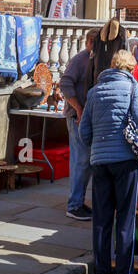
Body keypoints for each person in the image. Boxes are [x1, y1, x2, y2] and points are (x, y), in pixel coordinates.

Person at [78, 49, 138, 274]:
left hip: (100, 162)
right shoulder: (132, 87)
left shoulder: (94, 92)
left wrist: (98, 146)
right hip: (125, 162)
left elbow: (83, 133)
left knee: (101, 223)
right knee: (125, 221)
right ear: (130, 68)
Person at [60, 28, 96, 221]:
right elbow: (64, 84)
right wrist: (79, 109)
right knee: (81, 160)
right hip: (76, 116)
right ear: (88, 42)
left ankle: (79, 202)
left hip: (84, 116)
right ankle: (74, 205)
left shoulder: (91, 59)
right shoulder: (80, 59)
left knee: (86, 161)